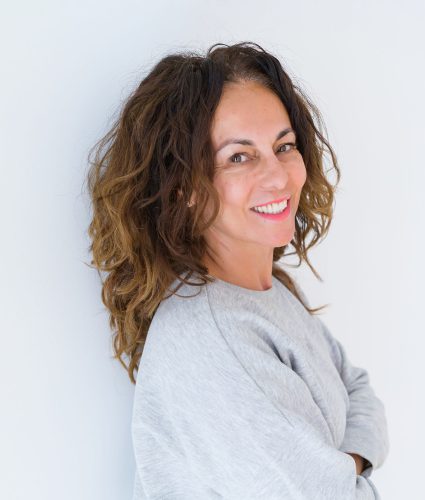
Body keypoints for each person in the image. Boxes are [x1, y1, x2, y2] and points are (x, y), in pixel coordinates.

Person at [86, 41, 389, 499]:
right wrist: (345, 473)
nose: (278, 176)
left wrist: (344, 466)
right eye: (239, 157)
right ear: (184, 185)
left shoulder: (268, 295)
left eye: (284, 146)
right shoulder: (212, 338)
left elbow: (361, 392)